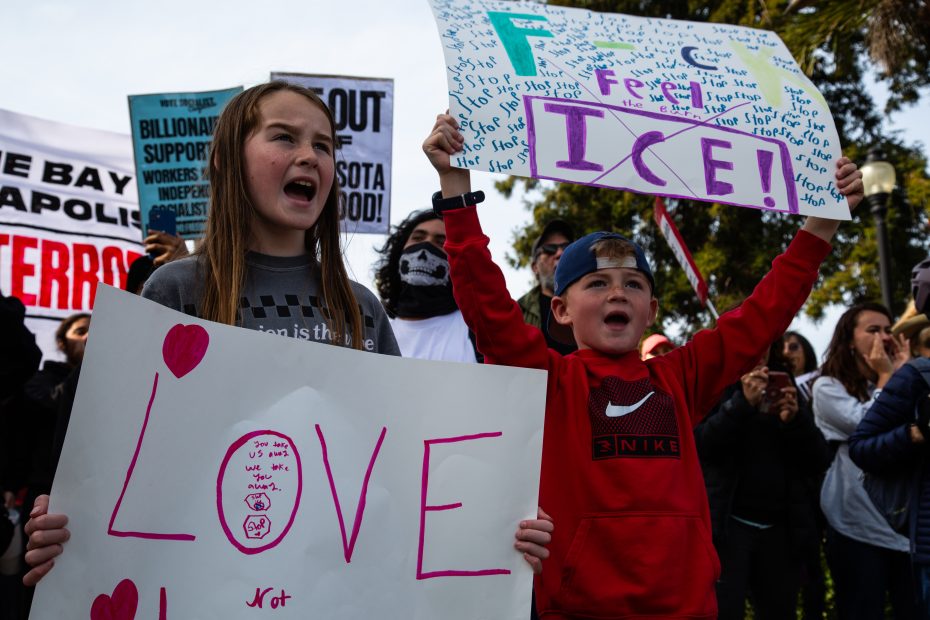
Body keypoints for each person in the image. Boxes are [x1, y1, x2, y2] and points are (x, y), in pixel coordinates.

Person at [22, 82, 553, 587]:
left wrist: (493, 522)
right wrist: (70, 524)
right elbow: (122, 457)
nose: (310, 156)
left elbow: (403, 468)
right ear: (228, 160)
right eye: (284, 137)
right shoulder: (177, 290)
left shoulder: (361, 308)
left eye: (324, 145)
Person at [423, 112, 863, 618]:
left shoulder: (681, 376)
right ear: (560, 311)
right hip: (579, 606)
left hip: (687, 606)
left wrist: (822, 224)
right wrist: (455, 187)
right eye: (597, 283)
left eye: (633, 284)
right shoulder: (551, 381)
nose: (618, 292)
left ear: (651, 310)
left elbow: (763, 315)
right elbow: (487, 307)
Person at [695, 337, 827, 619]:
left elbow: (818, 458)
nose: (757, 348)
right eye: (749, 337)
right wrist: (741, 403)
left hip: (780, 532)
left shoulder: (785, 384)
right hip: (728, 530)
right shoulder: (714, 384)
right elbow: (701, 446)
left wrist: (795, 421)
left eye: (765, 341)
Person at [812, 302, 915, 619]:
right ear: (848, 342)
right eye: (872, 330)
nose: (884, 337)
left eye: (888, 330)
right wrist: (888, 376)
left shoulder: (904, 380)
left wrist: (902, 375)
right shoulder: (827, 387)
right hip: (856, 527)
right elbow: (867, 425)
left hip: (905, 528)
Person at [374, 208, 478, 362]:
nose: (425, 247)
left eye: (441, 242)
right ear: (399, 251)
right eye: (417, 238)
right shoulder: (375, 335)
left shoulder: (477, 334)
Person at [517, 219, 576, 355]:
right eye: (550, 249)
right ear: (535, 267)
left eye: (567, 248)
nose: (560, 254)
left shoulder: (595, 302)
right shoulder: (518, 312)